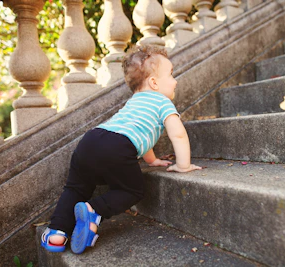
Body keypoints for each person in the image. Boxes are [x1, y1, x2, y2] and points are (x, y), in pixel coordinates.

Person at [41, 45, 202, 254]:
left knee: (75, 188)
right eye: (171, 75)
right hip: (117, 147)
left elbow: (141, 136)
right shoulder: (163, 103)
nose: (175, 80)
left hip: (90, 140)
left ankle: (57, 233)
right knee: (132, 190)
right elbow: (178, 134)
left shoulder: (134, 102)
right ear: (154, 82)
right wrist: (184, 165)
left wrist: (152, 160)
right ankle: (93, 210)